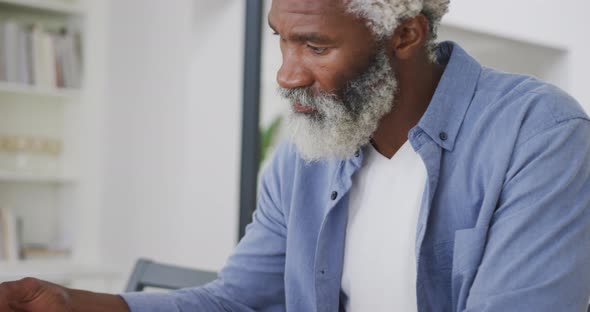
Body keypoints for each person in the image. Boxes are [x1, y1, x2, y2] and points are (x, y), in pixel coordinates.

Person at [2, 0, 590, 311]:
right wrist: (74, 304)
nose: (287, 72)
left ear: (406, 34)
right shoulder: (307, 154)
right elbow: (240, 302)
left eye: (316, 44)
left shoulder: (539, 136)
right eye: (281, 38)